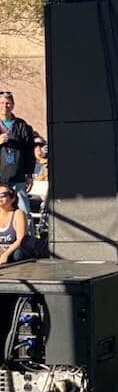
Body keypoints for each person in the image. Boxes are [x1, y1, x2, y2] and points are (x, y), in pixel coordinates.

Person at [0, 92, 35, 223]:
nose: (5, 106)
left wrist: (29, 174)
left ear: (13, 105)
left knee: (24, 212)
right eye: (2, 103)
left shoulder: (21, 125)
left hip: (18, 176)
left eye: (8, 103)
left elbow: (29, 151)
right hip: (0, 177)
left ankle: (27, 242)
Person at [0, 185, 33, 265]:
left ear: (13, 198)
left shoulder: (18, 214)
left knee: (17, 254)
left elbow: (20, 240)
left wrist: (5, 254)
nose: (0, 197)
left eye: (3, 195)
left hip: (15, 252)